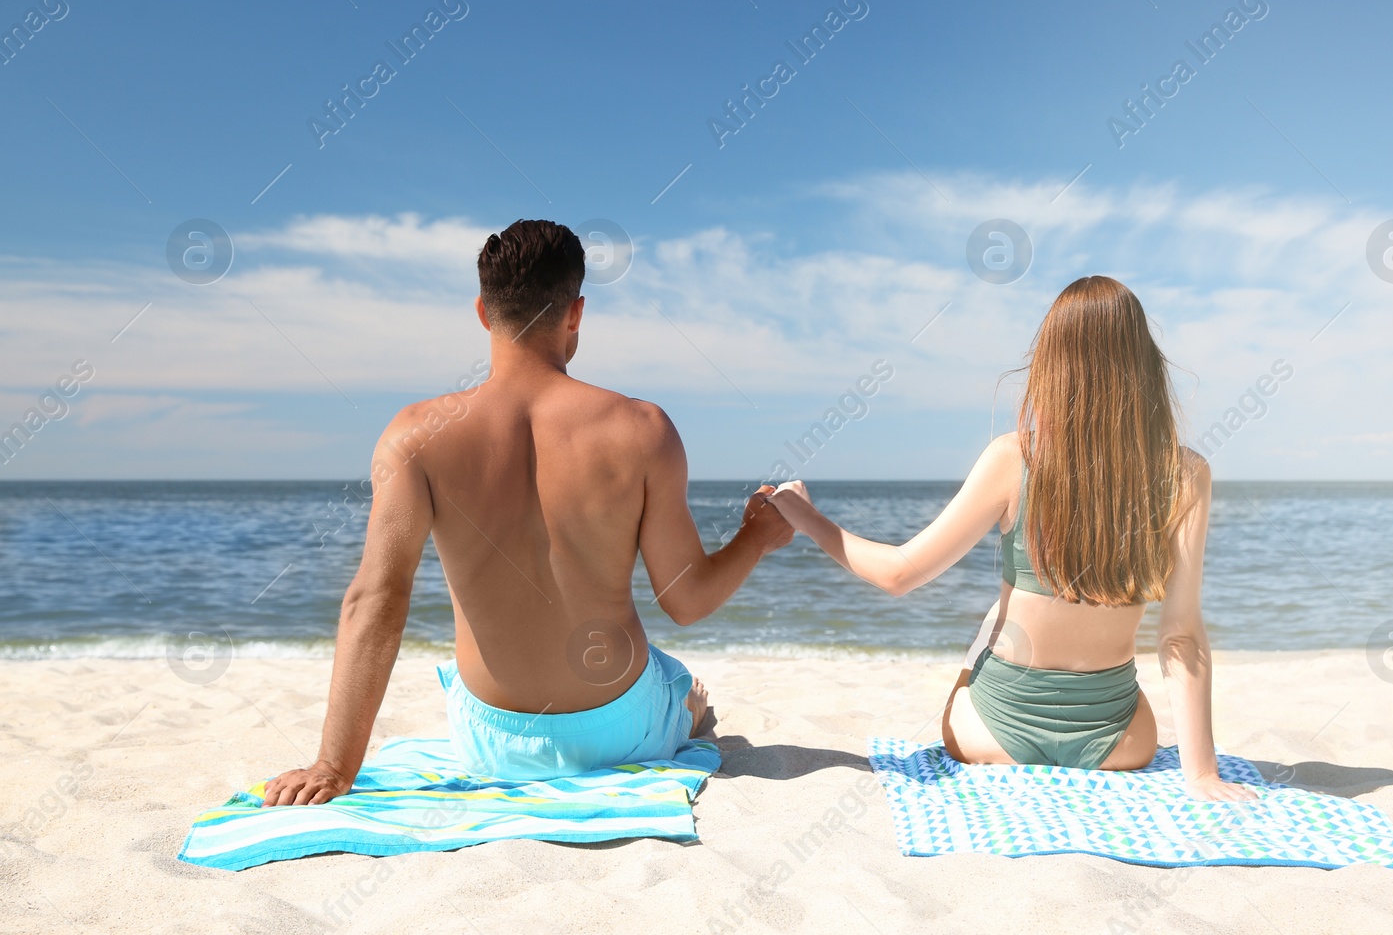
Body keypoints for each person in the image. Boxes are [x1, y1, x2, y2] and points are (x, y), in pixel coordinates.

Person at [264, 220, 793, 806]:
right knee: (679, 685)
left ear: (484, 313)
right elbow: (686, 599)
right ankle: (688, 708)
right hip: (619, 729)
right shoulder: (642, 430)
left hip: (489, 739)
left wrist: (335, 766)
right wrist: (756, 537)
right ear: (576, 312)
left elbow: (377, 599)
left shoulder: (415, 436)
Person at [765, 275, 1256, 801]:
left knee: (989, 630)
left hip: (991, 736)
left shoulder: (1014, 457)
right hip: (1120, 744)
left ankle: (984, 644)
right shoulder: (1184, 474)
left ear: (1052, 365)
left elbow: (900, 574)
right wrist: (1201, 774)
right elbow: (1180, 635)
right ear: (1145, 364)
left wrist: (804, 514)